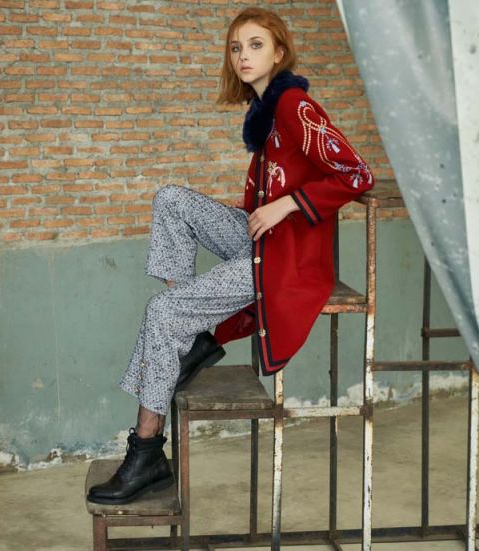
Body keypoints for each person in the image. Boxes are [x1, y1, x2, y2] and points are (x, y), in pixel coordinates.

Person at [87, 6, 374, 505]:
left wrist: (288, 204)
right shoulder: (264, 112)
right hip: (260, 241)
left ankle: (148, 450)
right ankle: (189, 335)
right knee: (170, 199)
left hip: (286, 262)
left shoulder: (294, 106)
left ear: (279, 53)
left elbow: (356, 173)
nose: (244, 55)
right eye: (237, 47)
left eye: (256, 45)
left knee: (161, 313)